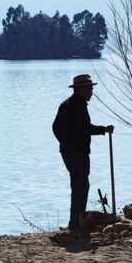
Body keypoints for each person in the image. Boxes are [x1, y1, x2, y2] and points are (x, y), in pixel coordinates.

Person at [52, 74, 114, 231]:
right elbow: (84, 128)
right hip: (77, 152)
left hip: (67, 152)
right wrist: (104, 130)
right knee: (81, 185)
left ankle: (76, 221)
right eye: (90, 88)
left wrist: (64, 142)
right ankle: (76, 223)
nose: (92, 92)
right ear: (81, 89)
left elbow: (55, 127)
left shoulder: (65, 104)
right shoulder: (78, 105)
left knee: (78, 184)